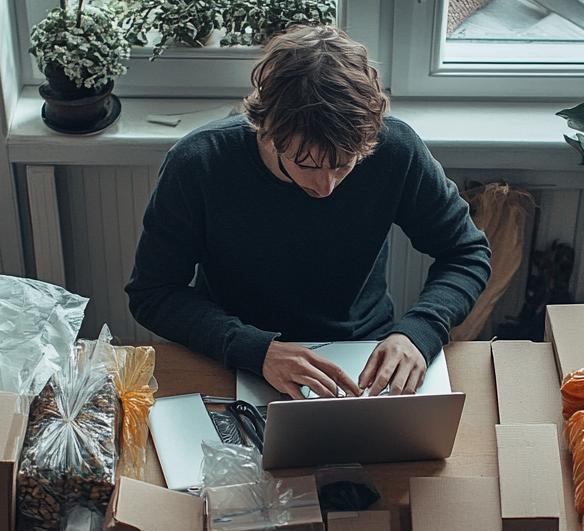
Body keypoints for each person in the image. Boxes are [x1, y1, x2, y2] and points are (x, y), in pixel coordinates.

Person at [125, 25, 491, 399]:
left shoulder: (395, 150)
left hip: (364, 355)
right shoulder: (198, 164)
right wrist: (253, 349)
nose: (326, 187)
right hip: (238, 358)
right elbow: (153, 293)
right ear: (265, 129)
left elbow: (466, 252)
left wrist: (420, 330)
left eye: (345, 165)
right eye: (307, 165)